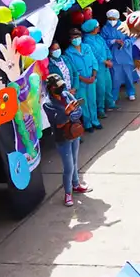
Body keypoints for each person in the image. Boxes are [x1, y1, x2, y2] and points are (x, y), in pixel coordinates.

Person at [42, 74, 91, 207]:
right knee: (68, 166)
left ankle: (76, 185)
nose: (61, 88)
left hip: (74, 133)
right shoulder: (48, 103)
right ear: (51, 88)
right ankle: (67, 193)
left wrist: (69, 115)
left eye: (61, 85)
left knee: (75, 161)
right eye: (57, 86)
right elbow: (58, 123)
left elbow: (79, 111)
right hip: (62, 138)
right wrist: (67, 113)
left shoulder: (67, 95)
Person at [64, 27, 100, 131]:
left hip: (91, 79)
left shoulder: (87, 47)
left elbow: (94, 61)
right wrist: (84, 79)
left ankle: (95, 120)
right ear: (70, 39)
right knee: (83, 103)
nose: (76, 39)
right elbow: (73, 70)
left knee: (92, 101)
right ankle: (88, 123)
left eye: (77, 36)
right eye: (73, 37)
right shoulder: (68, 52)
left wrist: (93, 76)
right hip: (80, 83)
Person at [101, 9, 137, 102]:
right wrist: (113, 41)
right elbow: (103, 42)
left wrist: (125, 42)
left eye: (114, 18)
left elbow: (132, 38)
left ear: (118, 18)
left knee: (128, 76)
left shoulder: (124, 26)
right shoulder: (105, 29)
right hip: (113, 56)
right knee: (115, 78)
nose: (112, 20)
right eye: (110, 18)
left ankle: (131, 92)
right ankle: (114, 96)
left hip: (125, 55)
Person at [81, 19, 114, 118]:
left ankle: (110, 104)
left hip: (105, 66)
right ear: (92, 28)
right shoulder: (87, 40)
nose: (98, 27)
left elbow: (106, 48)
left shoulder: (98, 37)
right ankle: (100, 109)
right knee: (100, 88)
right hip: (98, 68)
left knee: (108, 85)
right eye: (97, 26)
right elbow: (94, 54)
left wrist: (109, 58)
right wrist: (105, 61)